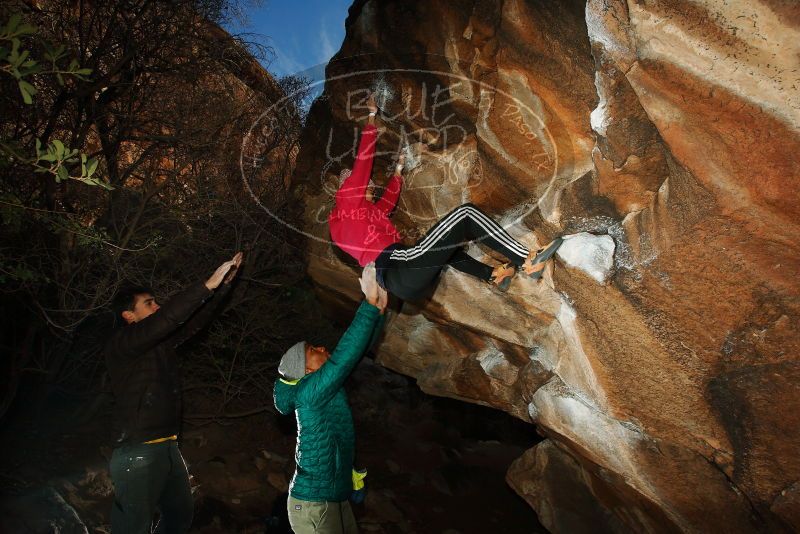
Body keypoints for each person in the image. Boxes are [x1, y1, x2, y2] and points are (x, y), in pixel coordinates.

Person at [328, 94, 562, 302]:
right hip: (397, 265)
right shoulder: (348, 199)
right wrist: (371, 117)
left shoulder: (356, 217)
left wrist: (398, 172)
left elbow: (387, 204)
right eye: (367, 187)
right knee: (466, 214)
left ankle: (492, 275)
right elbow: (362, 163)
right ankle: (526, 260)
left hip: (400, 284)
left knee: (446, 246)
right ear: (351, 188)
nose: (370, 188)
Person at [104, 252, 243, 534]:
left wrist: (224, 286)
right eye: (149, 303)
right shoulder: (123, 343)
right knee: (132, 525)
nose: (157, 306)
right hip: (137, 449)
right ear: (129, 315)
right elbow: (167, 319)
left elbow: (191, 322)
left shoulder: (158, 344)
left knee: (179, 515)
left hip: (168, 444)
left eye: (155, 301)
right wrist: (207, 284)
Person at [274, 263, 388, 534]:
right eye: (313, 350)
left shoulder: (323, 388)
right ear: (308, 370)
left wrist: (379, 313)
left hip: (333, 497)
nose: (322, 347)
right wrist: (369, 305)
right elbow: (343, 357)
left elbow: (356, 352)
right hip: (312, 504)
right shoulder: (310, 393)